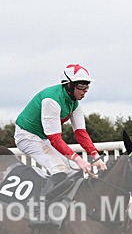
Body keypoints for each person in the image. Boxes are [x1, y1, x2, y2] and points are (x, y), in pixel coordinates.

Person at [14, 64, 107, 207]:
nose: (85, 91)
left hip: (43, 137)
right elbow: (55, 139)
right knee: (59, 170)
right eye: (81, 86)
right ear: (69, 85)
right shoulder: (52, 100)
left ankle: (64, 206)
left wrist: (95, 156)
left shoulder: (74, 103)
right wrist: (78, 159)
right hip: (27, 136)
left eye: (87, 86)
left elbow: (81, 133)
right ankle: (38, 208)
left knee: (73, 170)